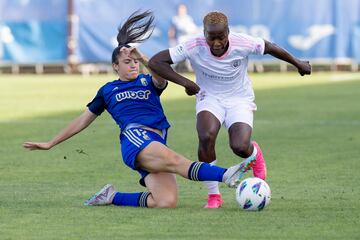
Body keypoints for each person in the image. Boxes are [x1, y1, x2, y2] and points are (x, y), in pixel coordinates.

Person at [23, 11, 255, 209]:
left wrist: (141, 55)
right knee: (176, 160)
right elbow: (83, 120)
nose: (133, 64)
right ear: (115, 66)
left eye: (134, 61)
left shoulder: (148, 81)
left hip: (156, 140)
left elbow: (159, 71)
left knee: (166, 201)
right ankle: (226, 175)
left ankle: (111, 197)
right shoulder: (107, 90)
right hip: (135, 138)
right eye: (127, 62)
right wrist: (51, 142)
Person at [149, 11, 312, 208]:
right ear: (204, 34)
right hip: (209, 97)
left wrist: (298, 63)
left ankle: (255, 153)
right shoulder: (194, 44)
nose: (216, 43)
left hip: (239, 99)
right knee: (206, 136)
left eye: (221, 37)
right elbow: (155, 62)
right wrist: (185, 83)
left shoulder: (242, 42)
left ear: (228, 32)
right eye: (211, 37)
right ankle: (214, 195)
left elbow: (270, 47)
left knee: (240, 147)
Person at [167, 4, 198, 72]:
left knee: (191, 56)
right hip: (180, 40)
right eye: (180, 9)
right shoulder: (175, 19)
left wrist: (194, 31)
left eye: (183, 9)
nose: (181, 11)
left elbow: (194, 29)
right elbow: (172, 30)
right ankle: (170, 70)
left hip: (189, 40)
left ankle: (191, 70)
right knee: (176, 56)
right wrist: (171, 39)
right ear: (178, 10)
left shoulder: (188, 18)